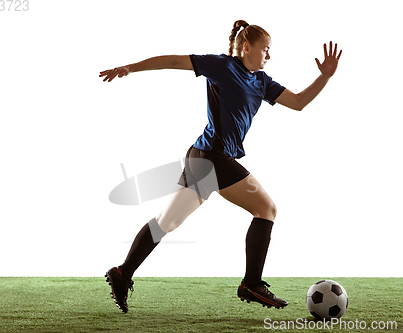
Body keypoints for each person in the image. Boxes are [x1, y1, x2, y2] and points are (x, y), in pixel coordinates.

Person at [99, 20, 342, 313]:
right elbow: (174, 60)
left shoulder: (262, 81)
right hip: (213, 158)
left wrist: (325, 77)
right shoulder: (223, 66)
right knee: (266, 209)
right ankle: (252, 283)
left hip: (203, 158)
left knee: (168, 222)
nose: (268, 56)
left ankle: (122, 273)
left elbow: (299, 102)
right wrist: (130, 67)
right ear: (246, 47)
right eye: (265, 49)